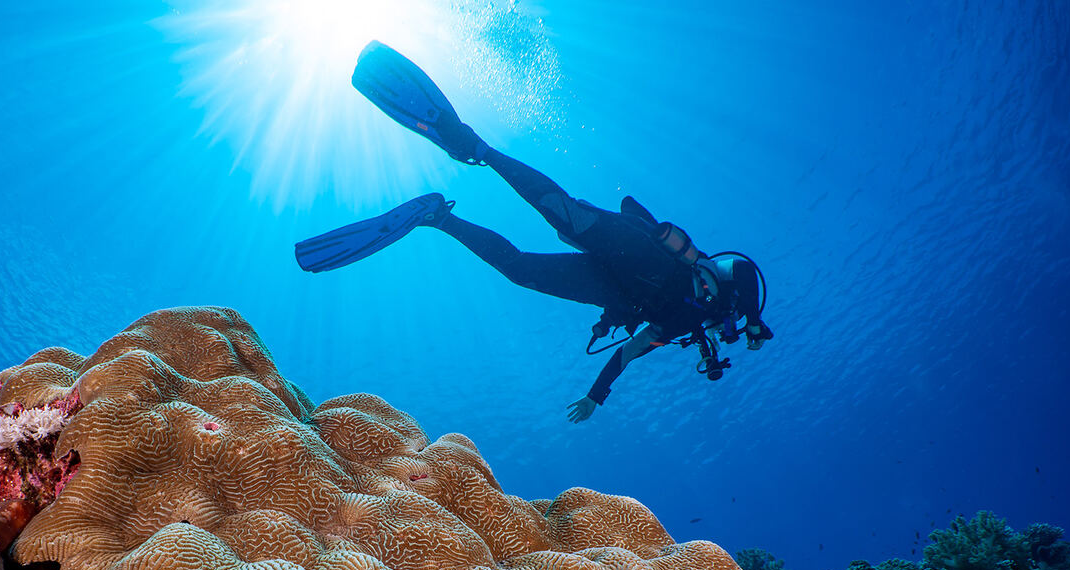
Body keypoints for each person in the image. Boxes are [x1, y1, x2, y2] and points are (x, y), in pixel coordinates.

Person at [296, 42, 772, 422]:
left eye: (720, 333)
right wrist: (751, 320)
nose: (718, 332)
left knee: (520, 271)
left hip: (612, 284)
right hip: (637, 251)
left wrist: (594, 398)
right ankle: (476, 146)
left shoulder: (676, 327)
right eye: (726, 327)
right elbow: (745, 270)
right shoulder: (720, 283)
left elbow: (624, 357)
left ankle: (439, 217)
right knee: (560, 211)